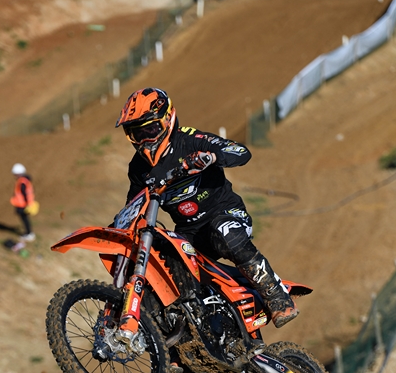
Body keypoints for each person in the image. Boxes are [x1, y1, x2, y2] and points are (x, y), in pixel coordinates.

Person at [115, 87, 298, 333]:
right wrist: (119, 227)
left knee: (224, 231)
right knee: (161, 257)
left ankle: (276, 295)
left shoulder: (191, 140)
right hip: (189, 233)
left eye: (150, 130)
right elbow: (134, 205)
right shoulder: (138, 168)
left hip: (227, 214)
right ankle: (187, 327)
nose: (145, 139)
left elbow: (241, 152)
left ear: (167, 120)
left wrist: (211, 157)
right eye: (137, 133)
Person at [10, 163, 36, 242]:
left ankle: (29, 234)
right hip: (24, 204)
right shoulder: (25, 181)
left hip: (23, 205)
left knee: (25, 219)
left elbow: (24, 194)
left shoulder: (22, 182)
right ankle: (28, 233)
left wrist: (28, 204)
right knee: (25, 219)